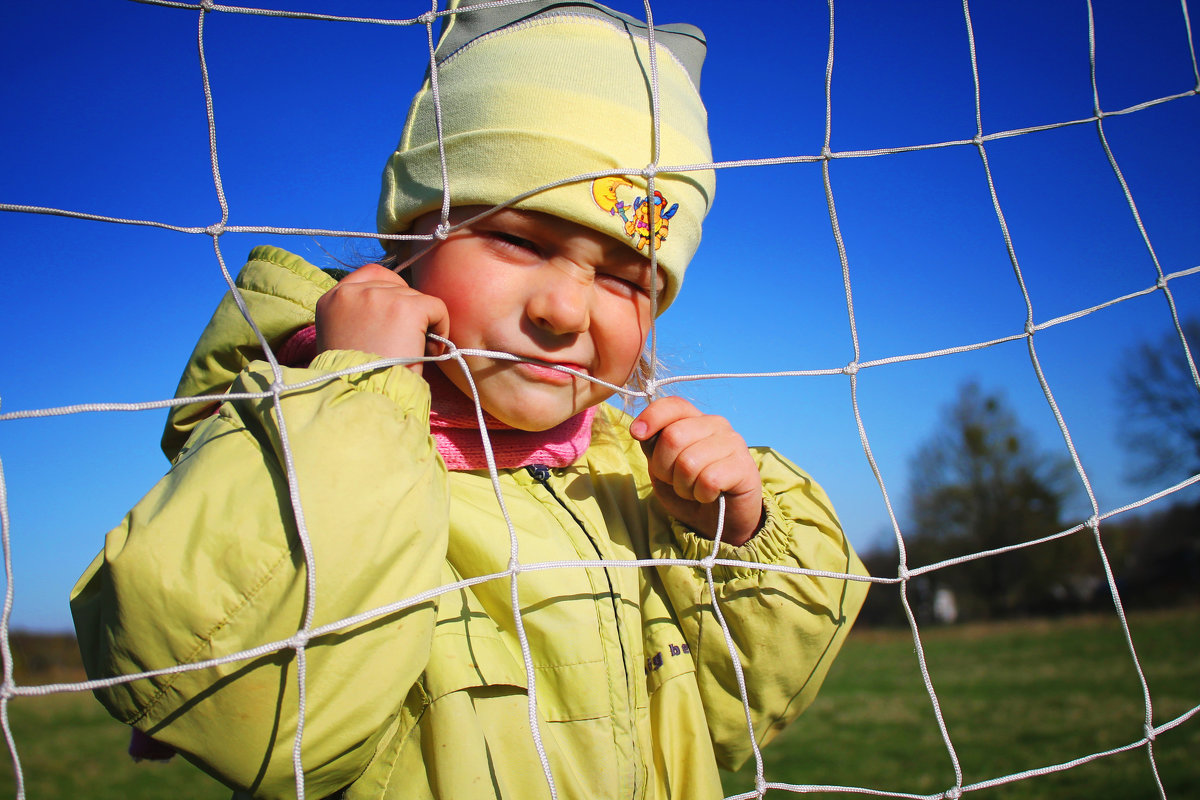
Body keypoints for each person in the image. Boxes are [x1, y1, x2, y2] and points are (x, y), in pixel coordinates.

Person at [70, 1, 869, 798]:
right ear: (413, 236)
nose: (566, 309)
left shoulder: (634, 479)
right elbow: (258, 712)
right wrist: (354, 398)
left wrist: (738, 535)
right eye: (521, 240)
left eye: (628, 277)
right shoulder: (286, 427)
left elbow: (743, 718)